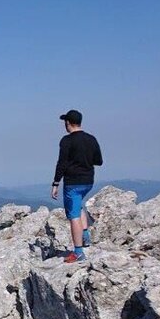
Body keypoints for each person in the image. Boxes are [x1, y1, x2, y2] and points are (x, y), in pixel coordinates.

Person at [51, 109, 103, 263]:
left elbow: (62, 163)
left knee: (73, 216)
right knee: (78, 205)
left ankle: (78, 252)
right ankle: (85, 236)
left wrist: (55, 183)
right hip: (88, 181)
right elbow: (99, 161)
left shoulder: (66, 141)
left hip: (72, 182)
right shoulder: (91, 139)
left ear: (68, 123)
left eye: (65, 122)